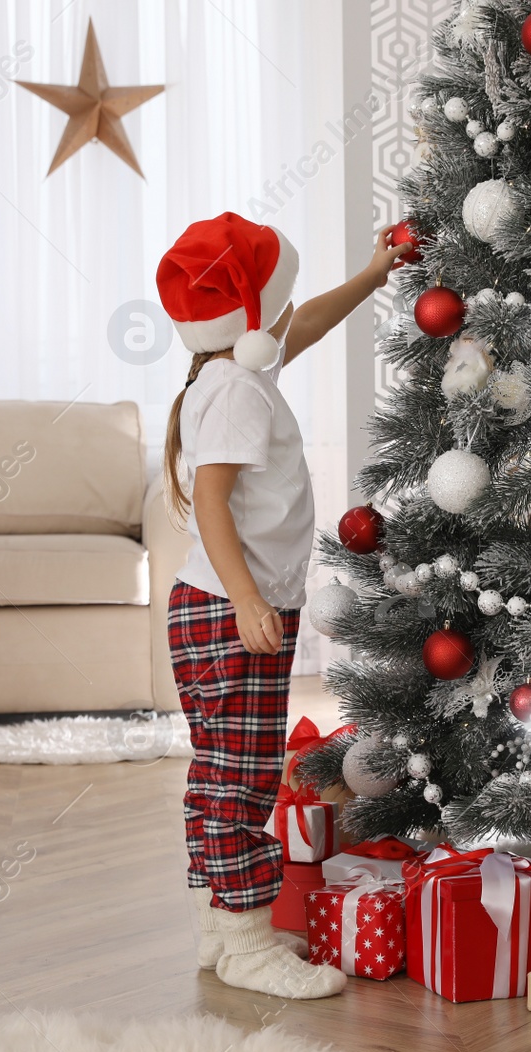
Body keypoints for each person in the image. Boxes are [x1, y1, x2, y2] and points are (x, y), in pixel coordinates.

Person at [156, 212, 411, 998]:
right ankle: (245, 943)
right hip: (232, 611)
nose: (289, 309)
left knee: (219, 773)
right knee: (241, 781)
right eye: (280, 294)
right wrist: (245, 597)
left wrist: (372, 277)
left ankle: (216, 924)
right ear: (248, 309)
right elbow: (211, 501)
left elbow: (303, 324)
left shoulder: (233, 366)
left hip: (213, 608)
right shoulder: (236, 389)